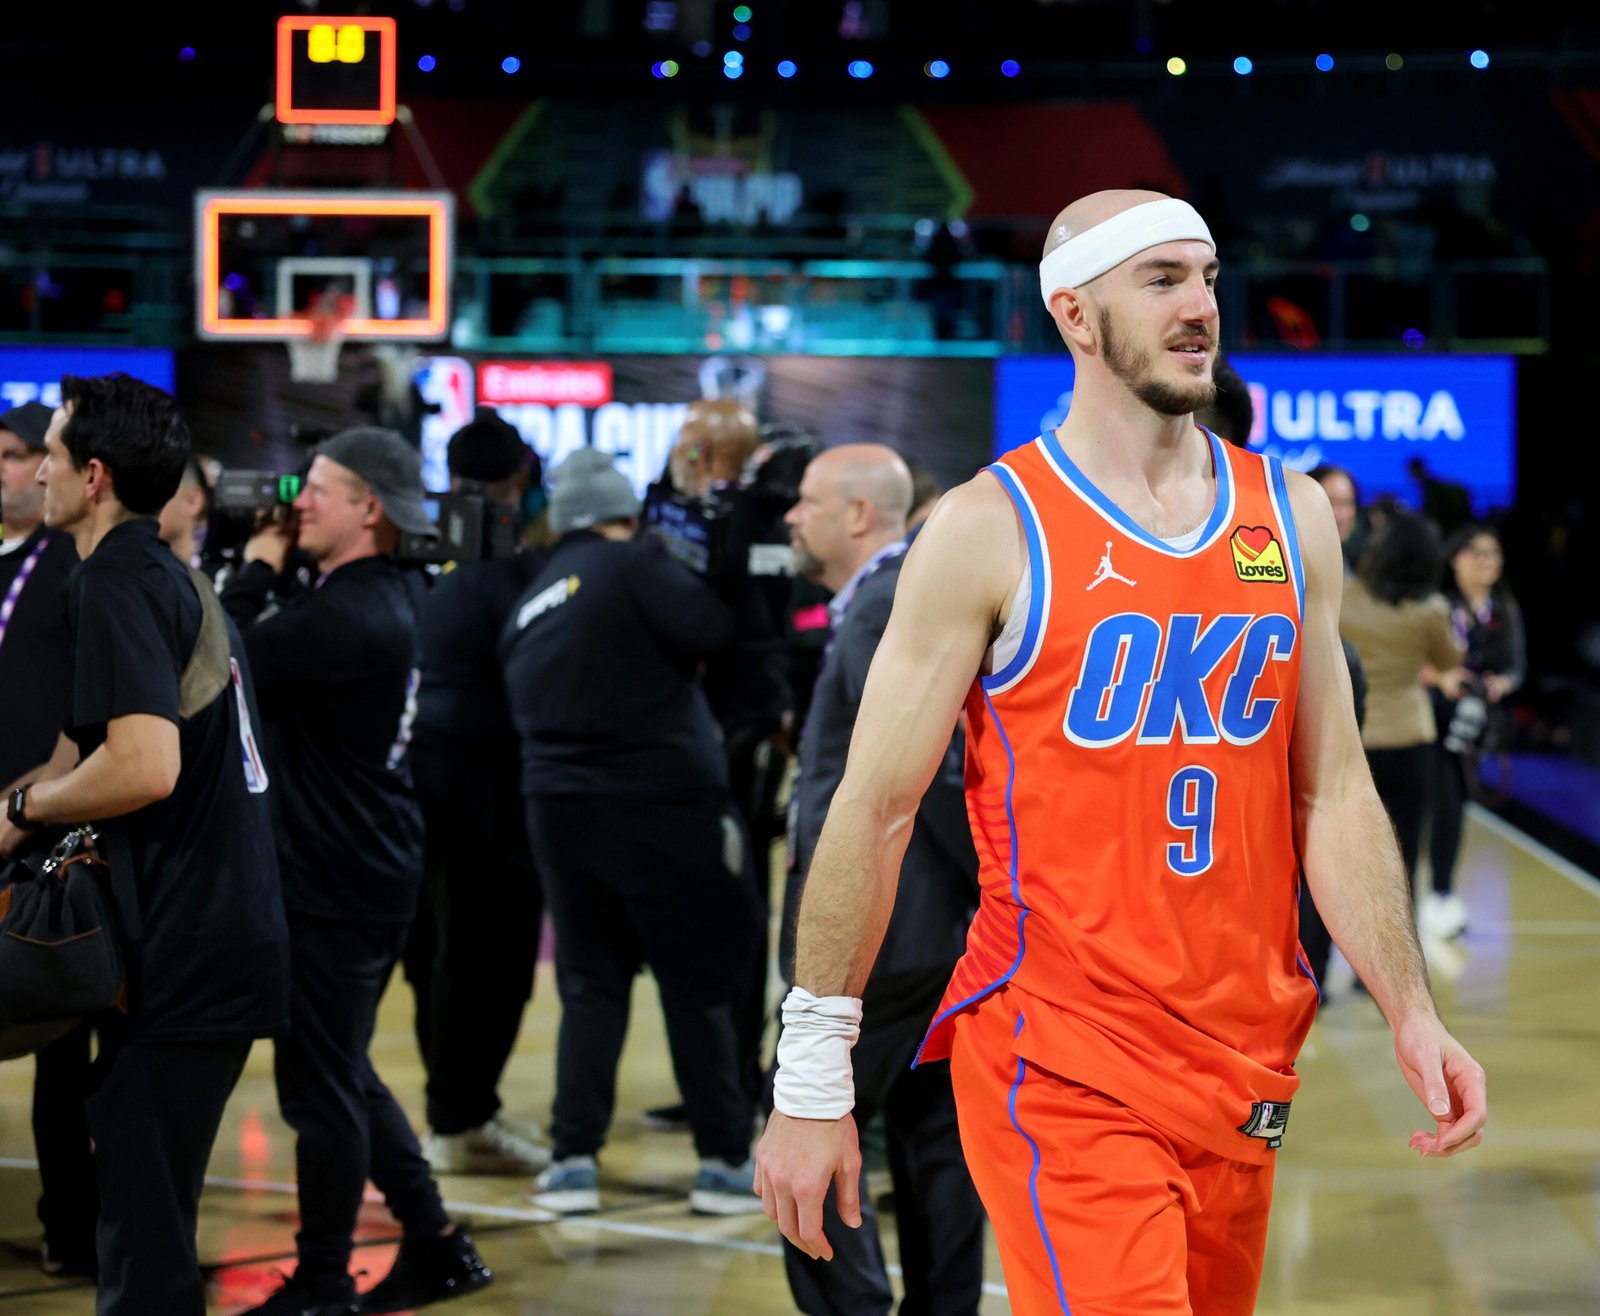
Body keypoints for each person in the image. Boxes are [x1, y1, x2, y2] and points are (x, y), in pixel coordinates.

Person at [755, 190, 1487, 1315]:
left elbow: (1332, 793)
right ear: (1076, 315)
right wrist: (812, 1075)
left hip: (1244, 1050)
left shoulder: (1290, 515)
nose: (1200, 306)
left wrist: (1410, 1004)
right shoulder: (989, 525)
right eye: (1159, 281)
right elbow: (871, 808)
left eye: (1204, 278)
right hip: (1062, 1049)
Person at [0, 374, 290, 1315]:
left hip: (189, 952)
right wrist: (18, 805)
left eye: (47, 452)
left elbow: (143, 765)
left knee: (143, 1237)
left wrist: (32, 806)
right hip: (198, 942)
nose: (34, 470)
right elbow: (86, 748)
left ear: (93, 477)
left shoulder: (119, 577)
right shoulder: (159, 571)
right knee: (136, 1215)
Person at [223, 428, 492, 1316]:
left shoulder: (342, 614)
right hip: (365, 862)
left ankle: (326, 1281)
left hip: (336, 877)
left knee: (320, 1089)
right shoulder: (393, 590)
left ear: (370, 509)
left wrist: (255, 565)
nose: (298, 500)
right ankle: (437, 1245)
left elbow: (225, 659)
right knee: (342, 1073)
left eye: (321, 489)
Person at [501, 447, 764, 1216]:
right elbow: (717, 631)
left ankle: (573, 1159)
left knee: (589, 985)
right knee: (695, 984)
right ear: (626, 515)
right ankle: (721, 1160)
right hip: (658, 807)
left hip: (556, 811)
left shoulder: (535, 592)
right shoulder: (635, 567)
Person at [780, 443, 985, 1315]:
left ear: (860, 514)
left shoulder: (877, 609)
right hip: (938, 933)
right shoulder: (893, 598)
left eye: (808, 500)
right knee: (936, 1137)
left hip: (885, 936)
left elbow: (919, 780)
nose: (791, 516)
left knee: (805, 1126)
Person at [400, 408, 550, 1175]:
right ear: (521, 478)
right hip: (495, 787)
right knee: (487, 954)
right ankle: (458, 1117)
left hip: (413, 779)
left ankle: (457, 1110)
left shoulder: (415, 561)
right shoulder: (526, 576)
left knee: (437, 950)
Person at [1, 399, 96, 1279]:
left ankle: (73, 1225)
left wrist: (27, 803)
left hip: (45, 825)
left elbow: (81, 718)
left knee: (61, 1039)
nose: (4, 471)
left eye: (14, 454)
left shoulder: (75, 567)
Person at [1339, 511, 1466, 912]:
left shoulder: (1346, 596)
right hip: (1410, 740)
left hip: (1354, 739)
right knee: (1402, 857)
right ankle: (1381, 970)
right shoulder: (1432, 609)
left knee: (1339, 855)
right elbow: (1449, 661)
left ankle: (1321, 964)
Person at [1424, 522, 1525, 939]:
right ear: (1455, 558)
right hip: (1431, 720)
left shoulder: (1504, 609)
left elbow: (1517, 667)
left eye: (1493, 554)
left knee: (1454, 809)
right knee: (1421, 812)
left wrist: (1501, 684)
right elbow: (1408, 658)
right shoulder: (1436, 605)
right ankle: (1414, 897)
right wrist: (1440, 678)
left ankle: (1441, 894)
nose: (1486, 562)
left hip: (1474, 727)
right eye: (1476, 553)